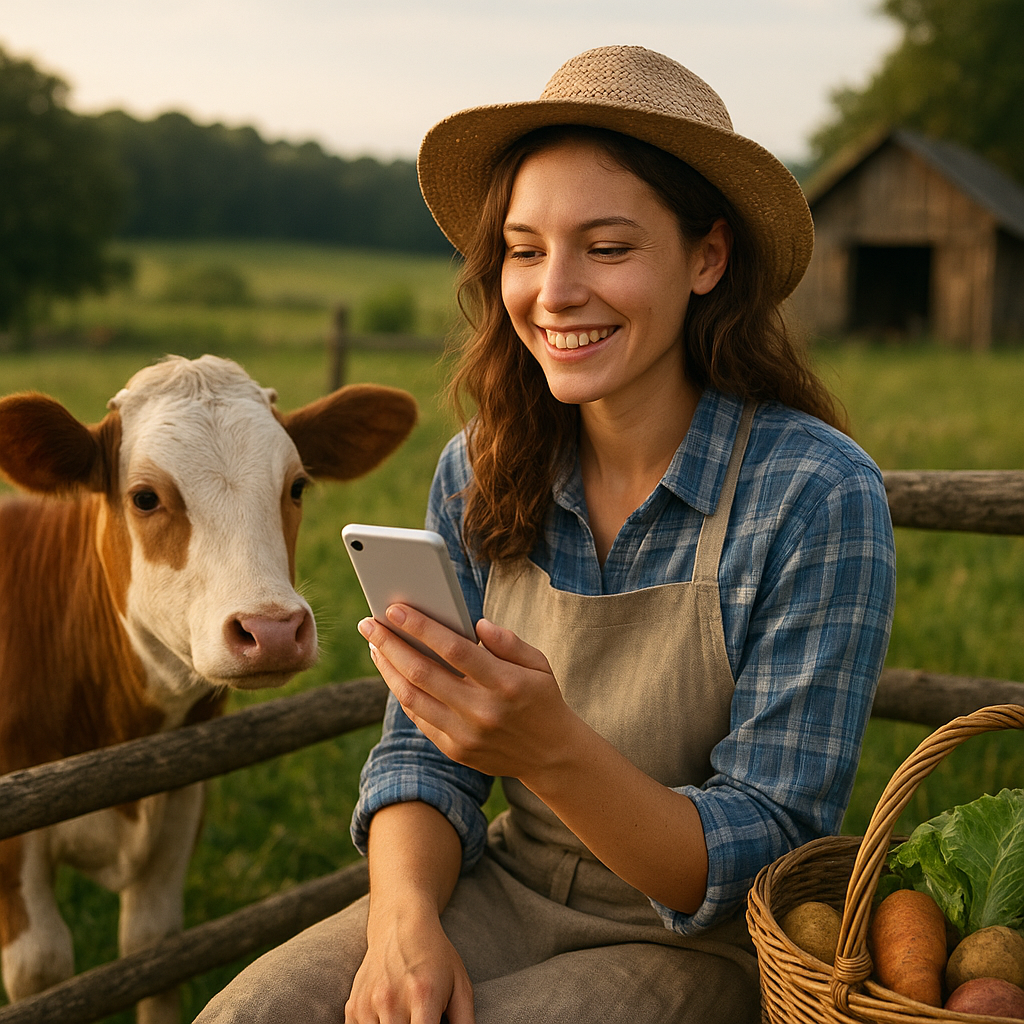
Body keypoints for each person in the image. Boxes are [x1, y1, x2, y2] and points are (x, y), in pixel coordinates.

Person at [196, 44, 896, 1024]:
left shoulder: (814, 494)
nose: (554, 290)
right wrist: (403, 924)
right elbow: (424, 756)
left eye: (606, 248)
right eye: (524, 249)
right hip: (503, 888)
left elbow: (770, 844)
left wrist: (551, 748)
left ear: (707, 256)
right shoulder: (480, 465)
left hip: (698, 944)